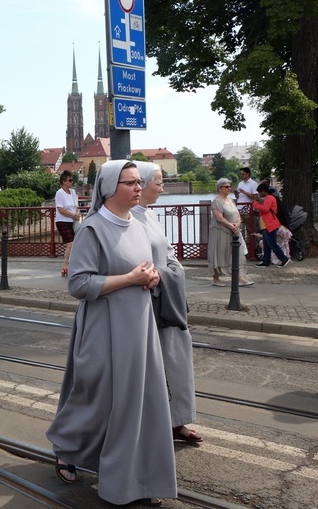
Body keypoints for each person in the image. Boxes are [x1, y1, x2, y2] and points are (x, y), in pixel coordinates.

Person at [46, 160, 177, 507]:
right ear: (109, 188)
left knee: (140, 404)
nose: (139, 187)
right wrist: (130, 279)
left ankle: (136, 479)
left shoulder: (138, 223)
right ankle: (67, 448)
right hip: (104, 328)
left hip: (138, 326)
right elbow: (78, 283)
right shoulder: (92, 228)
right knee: (96, 398)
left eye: (139, 182)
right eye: (130, 182)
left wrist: (152, 277)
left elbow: (147, 267)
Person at [132, 162, 201, 443]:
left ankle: (177, 420)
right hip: (145, 301)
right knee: (152, 367)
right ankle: (154, 425)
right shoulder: (128, 218)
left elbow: (168, 251)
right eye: (158, 182)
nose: (162, 188)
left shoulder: (149, 215)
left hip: (165, 296)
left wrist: (172, 272)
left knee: (175, 360)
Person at [208, 178, 254, 287]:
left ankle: (239, 277)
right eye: (226, 187)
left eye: (230, 186)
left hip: (234, 230)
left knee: (238, 253)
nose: (229, 188)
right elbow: (219, 218)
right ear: (220, 188)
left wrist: (237, 224)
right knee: (220, 253)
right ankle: (216, 278)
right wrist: (231, 226)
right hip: (220, 231)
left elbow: (238, 214)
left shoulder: (230, 200)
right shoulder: (216, 201)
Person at [253, 182, 291, 267]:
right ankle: (266, 261)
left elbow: (265, 209)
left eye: (259, 192)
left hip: (270, 224)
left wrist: (255, 204)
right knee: (266, 244)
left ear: (263, 191)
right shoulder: (269, 198)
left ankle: (283, 258)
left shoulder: (269, 198)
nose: (259, 194)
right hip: (266, 225)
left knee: (271, 243)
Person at [54, 170, 81, 277]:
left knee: (76, 244)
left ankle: (72, 265)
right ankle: (66, 266)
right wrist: (72, 215)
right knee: (71, 244)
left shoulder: (73, 192)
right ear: (64, 181)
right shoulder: (59, 193)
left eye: (72, 179)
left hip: (73, 221)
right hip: (62, 221)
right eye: (70, 180)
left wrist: (77, 214)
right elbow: (60, 209)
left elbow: (76, 206)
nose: (71, 182)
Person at [235, 167, 258, 242]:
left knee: (249, 228)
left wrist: (245, 192)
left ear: (248, 174)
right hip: (239, 208)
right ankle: (240, 245)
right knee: (238, 227)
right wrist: (236, 194)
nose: (241, 175)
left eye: (243, 174)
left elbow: (255, 197)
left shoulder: (253, 184)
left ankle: (251, 246)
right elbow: (238, 197)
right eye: (240, 174)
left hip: (248, 209)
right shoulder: (240, 183)